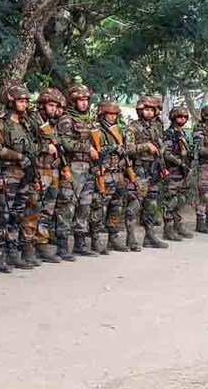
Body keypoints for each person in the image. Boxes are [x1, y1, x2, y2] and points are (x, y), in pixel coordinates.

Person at [0, 85, 43, 267]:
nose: (24, 104)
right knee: (3, 214)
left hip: (25, 174)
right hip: (8, 174)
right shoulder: (1, 123)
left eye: (26, 101)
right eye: (21, 101)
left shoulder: (27, 124)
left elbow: (35, 146)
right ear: (11, 102)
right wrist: (18, 156)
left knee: (17, 213)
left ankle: (13, 251)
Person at [57, 84, 99, 257]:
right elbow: (65, 143)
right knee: (68, 206)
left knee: (85, 206)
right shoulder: (66, 119)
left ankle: (80, 243)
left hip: (88, 167)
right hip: (73, 166)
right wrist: (87, 148)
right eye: (80, 100)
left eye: (86, 100)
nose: (84, 103)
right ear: (73, 102)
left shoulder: (90, 120)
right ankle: (61, 245)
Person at [36, 88, 75, 261]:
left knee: (49, 209)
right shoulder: (33, 121)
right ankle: (34, 245)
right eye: (51, 105)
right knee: (36, 208)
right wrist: (45, 147)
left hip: (53, 170)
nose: (54, 109)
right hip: (39, 170)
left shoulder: (53, 123)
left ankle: (42, 243)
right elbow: (27, 145)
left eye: (56, 106)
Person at [95, 100, 138, 253]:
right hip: (104, 174)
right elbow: (96, 152)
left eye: (114, 114)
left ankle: (113, 238)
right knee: (100, 208)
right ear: (102, 114)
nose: (112, 117)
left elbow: (125, 150)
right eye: (109, 114)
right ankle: (96, 239)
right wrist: (114, 148)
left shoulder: (116, 131)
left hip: (118, 173)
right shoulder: (97, 131)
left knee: (116, 207)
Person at [127, 97, 168, 248]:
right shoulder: (134, 127)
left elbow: (160, 148)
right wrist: (146, 146)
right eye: (146, 109)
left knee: (151, 203)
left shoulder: (157, 127)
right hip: (139, 168)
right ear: (140, 110)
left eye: (152, 110)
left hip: (154, 168)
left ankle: (149, 236)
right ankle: (131, 238)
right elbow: (128, 149)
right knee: (136, 202)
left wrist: (163, 167)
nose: (149, 113)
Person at [163, 107, 195, 240]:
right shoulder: (170, 133)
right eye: (179, 117)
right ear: (173, 118)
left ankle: (178, 224)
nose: (182, 119)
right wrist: (179, 162)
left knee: (181, 200)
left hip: (183, 172)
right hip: (174, 171)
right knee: (171, 200)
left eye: (184, 117)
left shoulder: (182, 133)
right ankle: (168, 228)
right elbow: (166, 153)